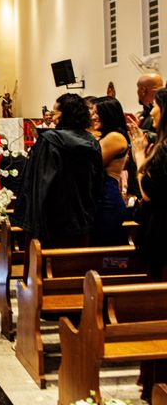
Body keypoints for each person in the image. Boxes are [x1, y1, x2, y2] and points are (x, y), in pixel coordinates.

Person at [13, 93, 103, 248]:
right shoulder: (91, 141)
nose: (53, 118)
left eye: (55, 113)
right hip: (81, 214)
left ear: (65, 115)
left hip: (51, 218)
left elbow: (39, 183)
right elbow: (97, 180)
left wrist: (31, 220)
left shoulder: (49, 141)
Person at [129, 87, 167, 400]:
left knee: (159, 306)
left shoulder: (165, 149)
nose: (150, 111)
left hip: (163, 233)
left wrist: (140, 155)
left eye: (155, 106)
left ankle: (158, 380)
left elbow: (149, 192)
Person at [91, 96, 130, 245]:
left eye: (97, 113)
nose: (93, 117)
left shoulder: (115, 137)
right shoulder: (107, 135)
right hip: (102, 196)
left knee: (103, 247)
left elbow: (93, 165)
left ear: (109, 114)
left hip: (107, 198)